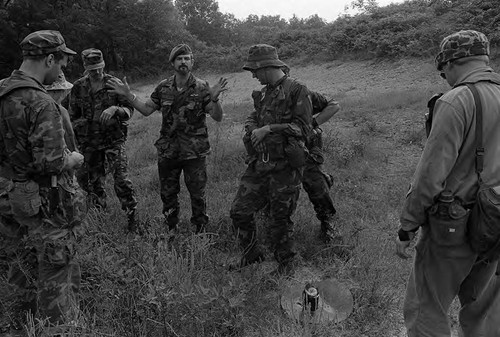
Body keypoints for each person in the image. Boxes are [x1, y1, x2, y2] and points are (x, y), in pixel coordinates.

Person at [396, 30, 500, 336]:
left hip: (455, 227)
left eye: (444, 71)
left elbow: (429, 176)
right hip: (496, 221)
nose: (445, 77)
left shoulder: (457, 101)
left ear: (451, 62)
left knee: (426, 309)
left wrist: (407, 226)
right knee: (480, 308)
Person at [0, 30, 86, 332]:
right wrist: (74, 159)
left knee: (20, 263)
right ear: (49, 58)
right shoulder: (40, 102)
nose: (61, 71)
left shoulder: (2, 92)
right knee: (55, 267)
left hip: (10, 197)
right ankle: (56, 327)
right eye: (60, 63)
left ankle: (18, 323)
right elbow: (50, 163)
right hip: (45, 204)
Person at [107, 44, 227, 234]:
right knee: (168, 194)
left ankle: (200, 230)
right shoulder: (163, 87)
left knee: (197, 194)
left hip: (194, 152)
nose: (183, 62)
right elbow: (146, 109)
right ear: (173, 63)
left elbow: (218, 116)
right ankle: (171, 228)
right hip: (169, 151)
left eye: (187, 58)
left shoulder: (203, 87)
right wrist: (128, 95)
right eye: (179, 59)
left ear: (192, 62)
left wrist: (214, 99)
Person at [230, 44, 313, 275]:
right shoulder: (264, 92)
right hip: (259, 164)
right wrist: (252, 128)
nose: (254, 76)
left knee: (280, 220)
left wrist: (269, 129)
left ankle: (286, 265)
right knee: (239, 211)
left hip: (285, 168)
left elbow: (303, 129)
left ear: (266, 67)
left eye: (255, 71)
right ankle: (251, 254)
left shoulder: (298, 90)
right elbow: (253, 115)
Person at [70, 48, 138, 232]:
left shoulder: (113, 83)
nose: (97, 72)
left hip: (113, 140)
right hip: (89, 143)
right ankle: (100, 218)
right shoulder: (78, 87)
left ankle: (132, 218)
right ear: (85, 67)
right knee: (92, 182)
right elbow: (72, 116)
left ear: (104, 64)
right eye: (92, 69)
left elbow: (129, 111)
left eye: (99, 68)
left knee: (121, 180)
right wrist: (82, 125)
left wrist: (116, 108)